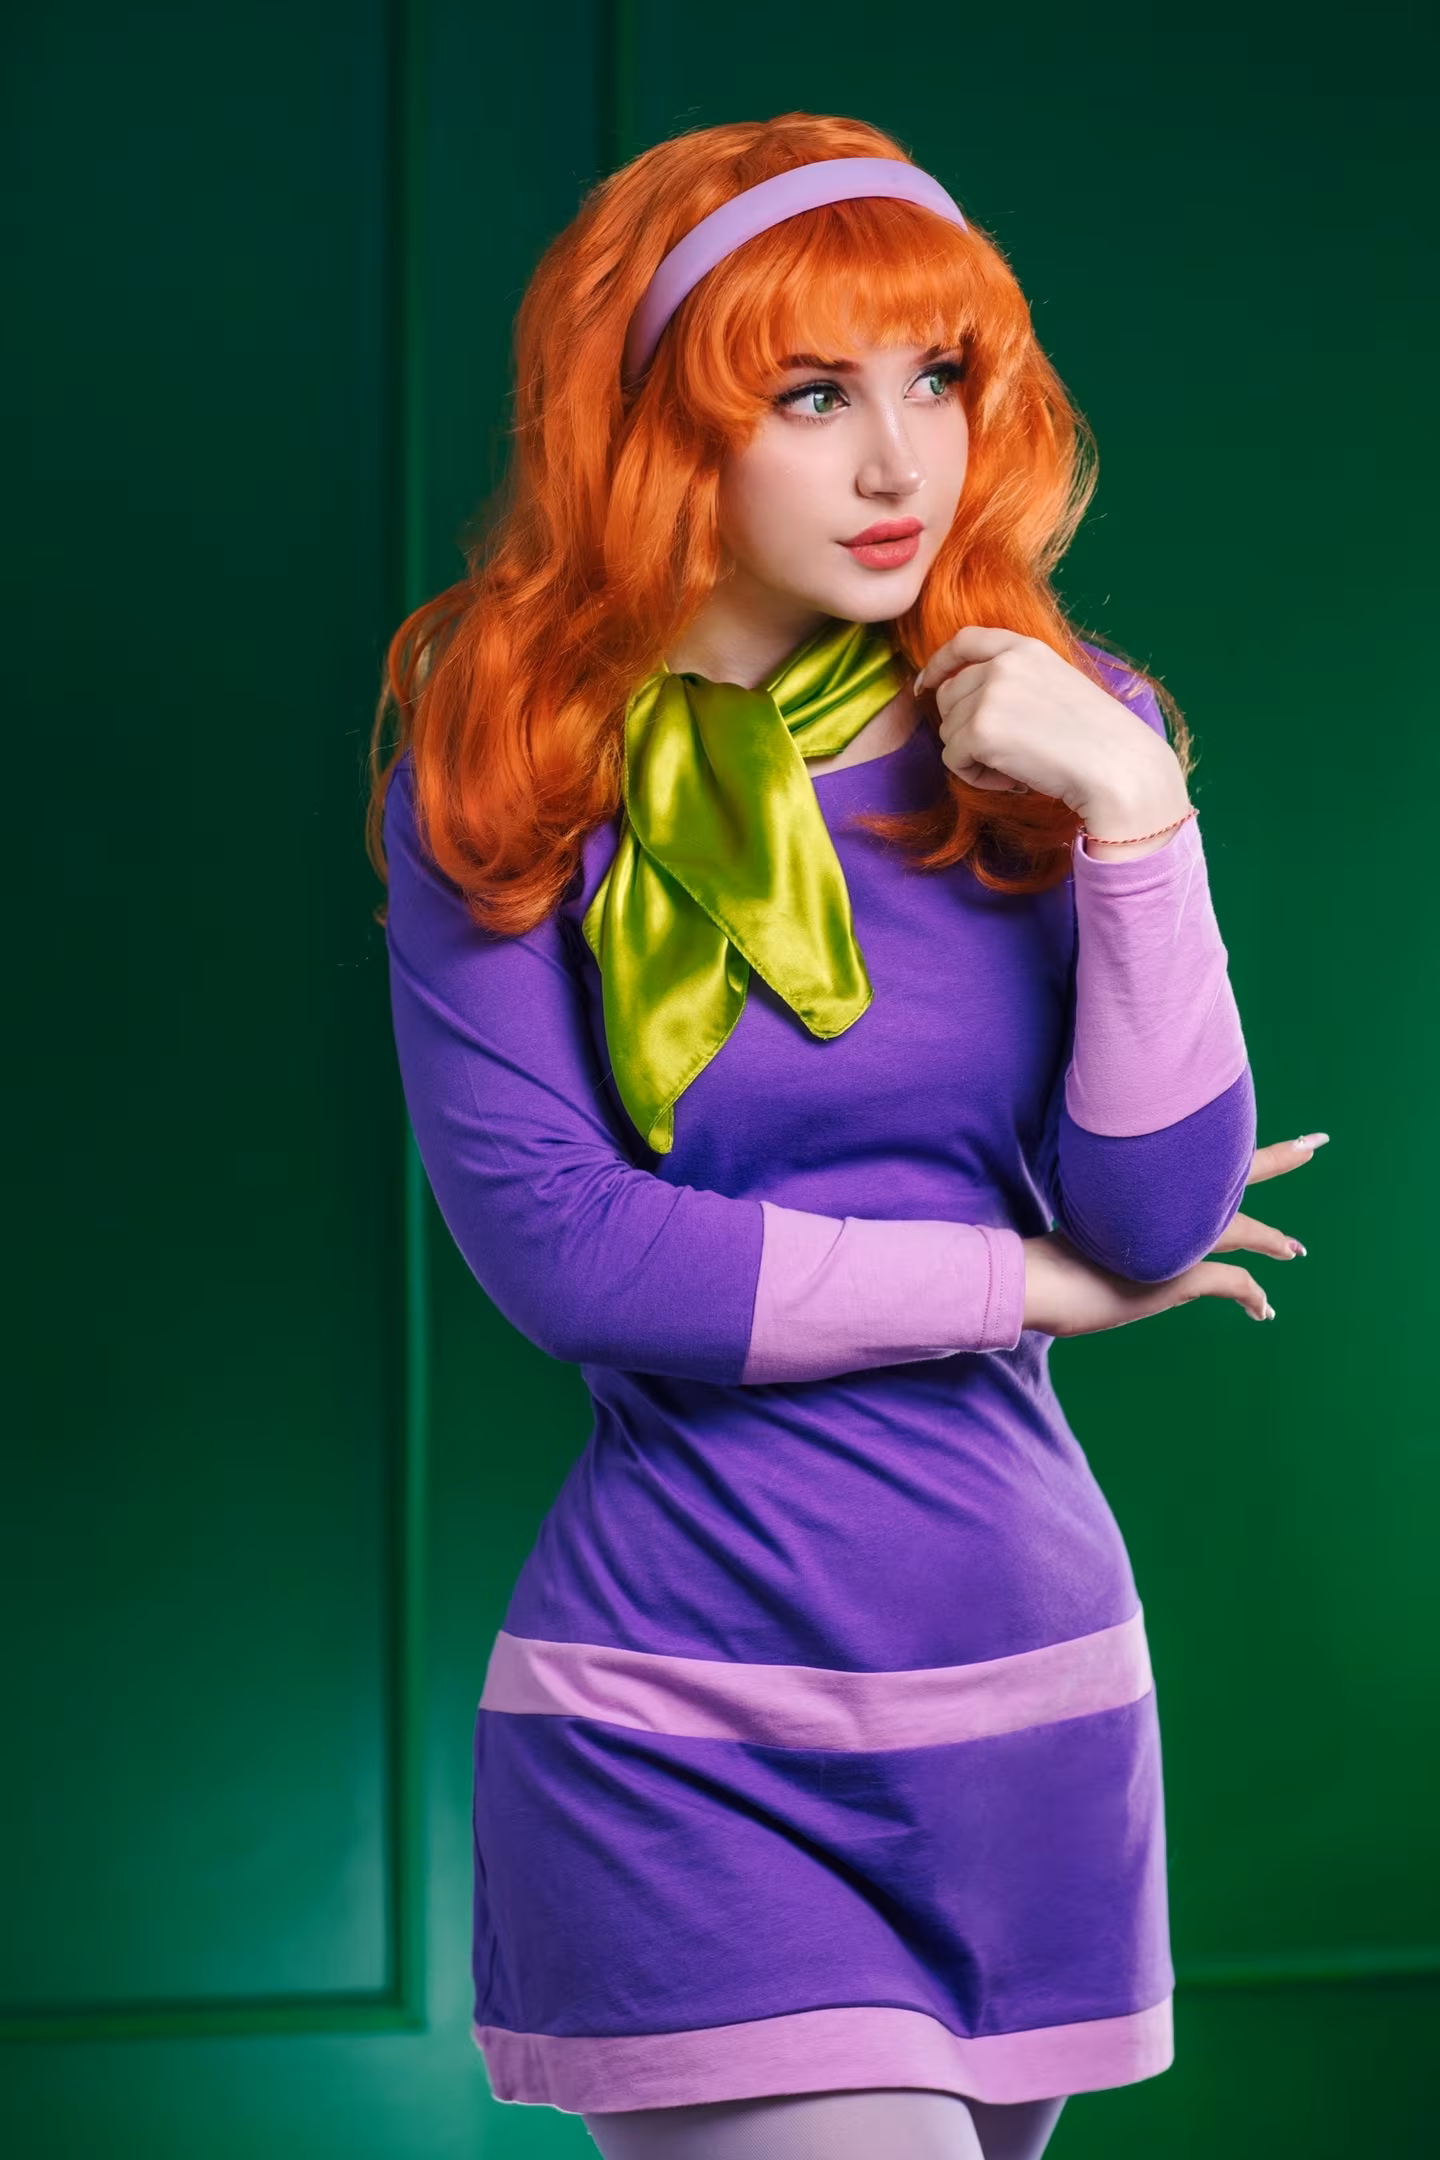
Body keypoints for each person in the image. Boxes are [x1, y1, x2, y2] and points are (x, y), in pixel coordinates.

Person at [367, 113, 1326, 2160]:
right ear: (659, 429)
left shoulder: (1054, 725)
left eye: (938, 380)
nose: (904, 465)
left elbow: (1155, 1209)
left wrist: (1138, 814)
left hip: (1038, 1708)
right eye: (813, 396)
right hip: (680, 1726)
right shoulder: (509, 776)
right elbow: (578, 1260)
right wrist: (1022, 1283)